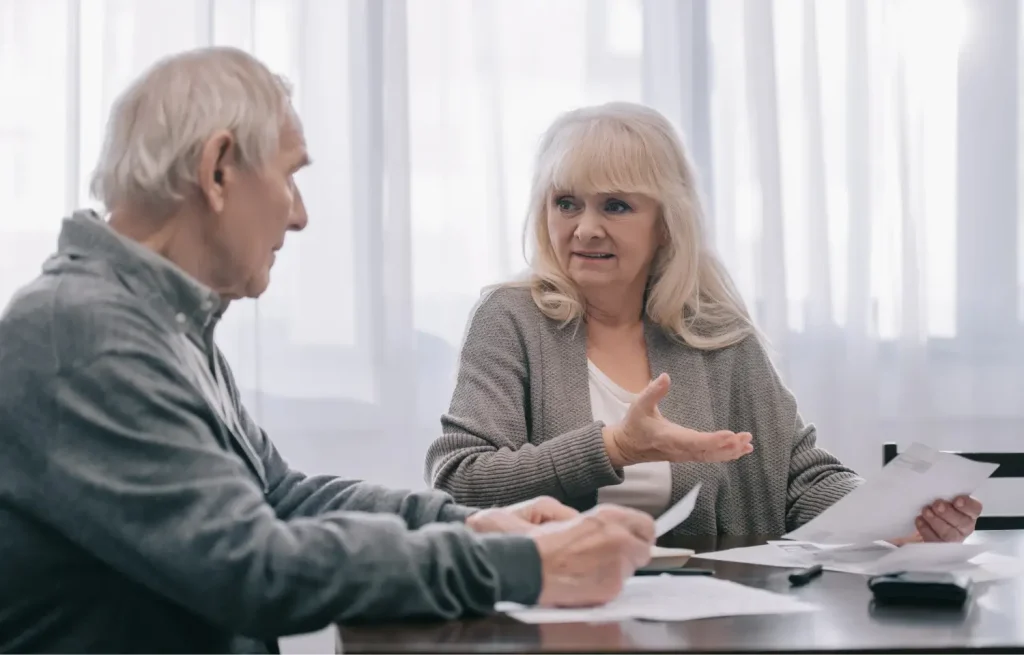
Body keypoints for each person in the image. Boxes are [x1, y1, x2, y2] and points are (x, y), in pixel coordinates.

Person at [0, 49, 658, 654]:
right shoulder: (83, 335)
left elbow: (278, 495)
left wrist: (473, 525)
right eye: (290, 176)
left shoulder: (153, 319)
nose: (300, 215)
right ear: (218, 169)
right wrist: (526, 566)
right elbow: (255, 568)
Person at [425, 102, 983, 543]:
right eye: (566, 203)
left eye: (616, 206)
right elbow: (462, 479)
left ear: (666, 224)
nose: (585, 228)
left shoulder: (713, 329)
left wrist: (894, 519)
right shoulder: (510, 319)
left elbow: (800, 478)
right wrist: (616, 447)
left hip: (703, 612)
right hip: (553, 610)